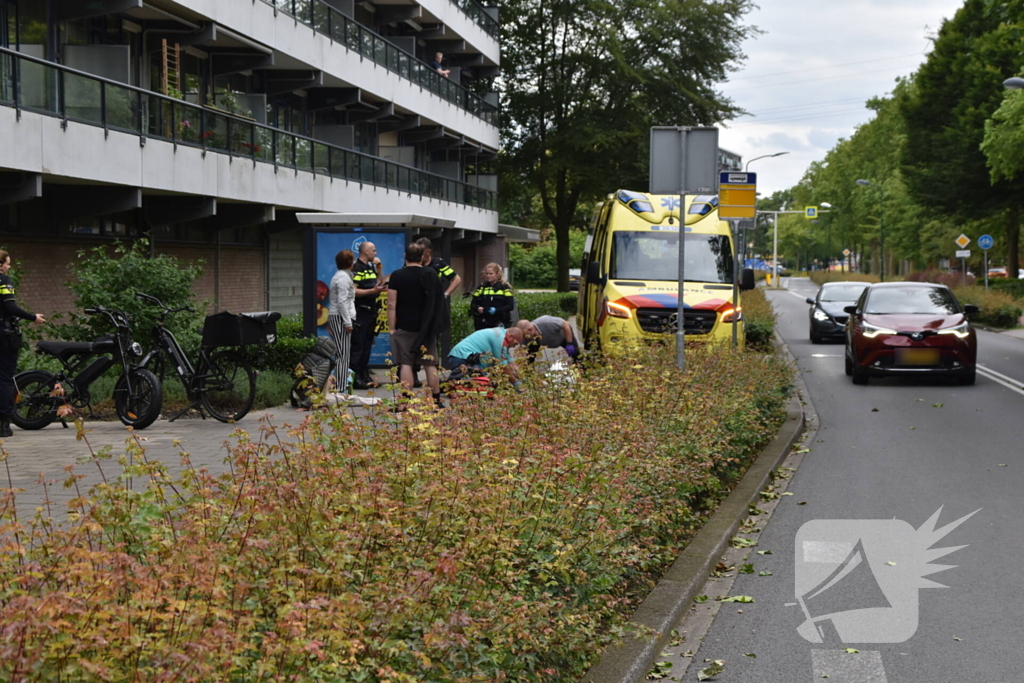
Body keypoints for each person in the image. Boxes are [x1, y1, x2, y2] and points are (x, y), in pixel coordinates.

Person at [387, 242, 445, 408]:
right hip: (427, 327)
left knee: (406, 363)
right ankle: (436, 401)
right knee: (430, 363)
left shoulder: (397, 275)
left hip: (405, 325)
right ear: (422, 257)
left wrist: (392, 328)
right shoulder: (431, 274)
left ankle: (405, 402)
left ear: (405, 256)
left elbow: (391, 304)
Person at [0, 251, 45, 437]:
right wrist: (33, 317)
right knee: (4, 379)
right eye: (7, 263)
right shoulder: (4, 282)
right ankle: (4, 424)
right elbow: (10, 307)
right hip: (4, 337)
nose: (9, 267)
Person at [411, 237, 462, 387]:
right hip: (418, 307)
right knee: (414, 340)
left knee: (432, 340)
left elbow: (456, 279)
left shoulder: (438, 264)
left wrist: (446, 294)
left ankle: (432, 374)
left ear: (429, 251)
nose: (420, 254)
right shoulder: (415, 263)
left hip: (434, 308)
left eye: (422, 251)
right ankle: (414, 373)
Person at [350, 241, 387, 390]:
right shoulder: (357, 268)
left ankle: (364, 374)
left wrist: (379, 268)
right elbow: (353, 291)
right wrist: (372, 291)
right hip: (360, 312)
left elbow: (379, 283)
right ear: (365, 251)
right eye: (373, 250)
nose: (375, 253)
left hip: (371, 312)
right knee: (358, 346)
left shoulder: (370, 267)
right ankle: (354, 378)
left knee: (367, 346)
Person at [446, 326, 523, 384]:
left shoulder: (501, 334)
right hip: (461, 359)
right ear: (510, 337)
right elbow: (503, 367)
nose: (514, 346)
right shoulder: (499, 339)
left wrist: (519, 374)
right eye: (515, 343)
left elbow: (509, 361)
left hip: (460, 358)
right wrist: (515, 383)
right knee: (483, 383)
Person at [328, 249, 356, 391]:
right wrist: (348, 322)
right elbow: (342, 301)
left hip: (337, 317)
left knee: (342, 353)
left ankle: (339, 385)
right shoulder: (343, 278)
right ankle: (340, 388)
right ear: (350, 262)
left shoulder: (340, 276)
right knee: (343, 354)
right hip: (340, 318)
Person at [470, 262, 514, 330]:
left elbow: (510, 306)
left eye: (491, 274)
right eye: (487, 273)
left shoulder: (505, 287)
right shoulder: (481, 287)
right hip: (483, 322)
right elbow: (473, 304)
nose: (488, 276)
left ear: (497, 274)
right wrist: (477, 308)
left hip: (500, 322)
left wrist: (497, 310)